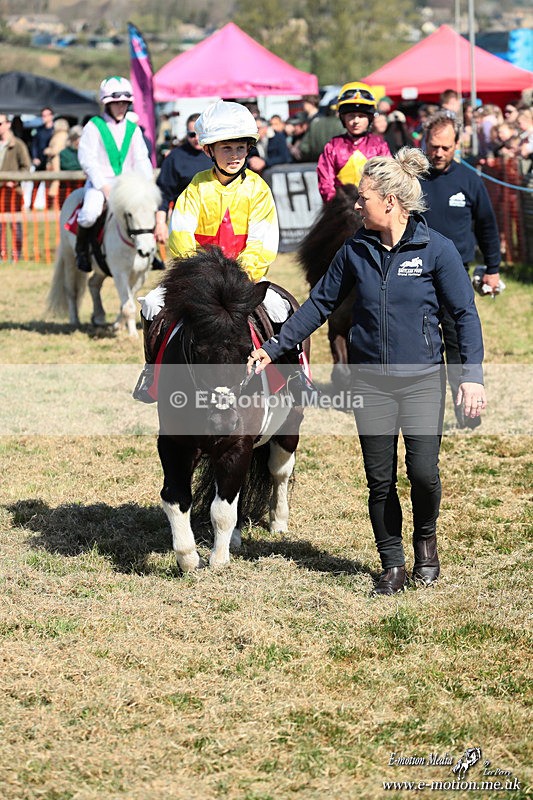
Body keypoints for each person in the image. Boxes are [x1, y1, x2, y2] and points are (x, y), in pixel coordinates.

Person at [248, 147, 486, 595]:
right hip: (370, 384)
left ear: (390, 203)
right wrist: (272, 347)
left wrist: (470, 375)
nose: (356, 206)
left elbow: (464, 315)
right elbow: (320, 303)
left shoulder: (437, 250)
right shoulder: (354, 250)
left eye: (363, 199)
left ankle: (426, 543)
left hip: (423, 382)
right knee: (380, 479)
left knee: (422, 473)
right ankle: (392, 563)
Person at [133, 99, 289, 403]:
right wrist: (205, 278)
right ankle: (153, 371)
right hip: (200, 283)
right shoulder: (195, 188)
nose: (234, 156)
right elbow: (180, 239)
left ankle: (295, 378)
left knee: (281, 308)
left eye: (240, 148)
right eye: (226, 148)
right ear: (209, 151)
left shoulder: (258, 189)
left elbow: (263, 243)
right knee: (151, 304)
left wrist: (235, 279)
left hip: (244, 281)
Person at [421, 111, 500, 429]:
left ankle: (467, 412)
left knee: (459, 344)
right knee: (422, 347)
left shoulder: (470, 180)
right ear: (424, 142)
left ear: (457, 146)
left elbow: (487, 227)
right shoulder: (411, 179)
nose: (437, 153)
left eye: (445, 147)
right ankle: (425, 414)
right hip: (416, 274)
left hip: (455, 275)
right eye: (433, 146)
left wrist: (492, 268)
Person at [75, 76, 153, 272]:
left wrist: (147, 183)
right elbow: (87, 160)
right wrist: (103, 186)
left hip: (127, 184)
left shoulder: (133, 129)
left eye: (125, 103)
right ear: (107, 104)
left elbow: (142, 159)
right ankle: (82, 250)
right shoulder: (93, 126)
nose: (121, 107)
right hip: (100, 183)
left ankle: (151, 252)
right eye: (116, 103)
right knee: (90, 214)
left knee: (145, 211)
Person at [317, 82, 390, 203]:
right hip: (342, 211)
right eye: (351, 116)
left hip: (373, 209)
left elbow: (388, 179)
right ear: (343, 118)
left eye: (361, 116)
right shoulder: (332, 146)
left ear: (370, 118)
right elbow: (326, 183)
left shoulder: (379, 145)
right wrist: (339, 206)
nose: (356, 121)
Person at [154, 113, 212, 245]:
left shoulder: (220, 153)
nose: (196, 138)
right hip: (185, 220)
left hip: (216, 218)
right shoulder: (175, 157)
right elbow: (163, 193)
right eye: (192, 134)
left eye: (200, 133)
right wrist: (160, 223)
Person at [0, 112, 31, 260]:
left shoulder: (18, 145)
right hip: (0, 192)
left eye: (0, 124)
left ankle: (17, 254)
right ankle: (2, 254)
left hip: (13, 192)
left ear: (7, 124)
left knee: (15, 224)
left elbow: (26, 167)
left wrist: (15, 180)